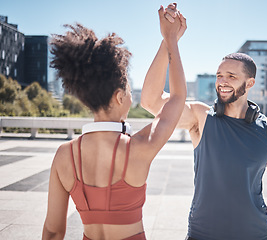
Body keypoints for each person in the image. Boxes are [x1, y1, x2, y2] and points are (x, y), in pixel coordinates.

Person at [141, 5, 267, 240]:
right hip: (203, 234)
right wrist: (169, 39)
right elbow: (150, 101)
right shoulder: (201, 118)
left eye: (231, 76)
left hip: (254, 234)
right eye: (220, 75)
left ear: (249, 83)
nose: (222, 81)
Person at [42, 5, 187, 240]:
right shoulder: (140, 147)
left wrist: (168, 40)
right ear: (120, 96)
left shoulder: (63, 154)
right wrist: (170, 39)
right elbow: (177, 98)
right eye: (129, 89)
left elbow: (53, 230)